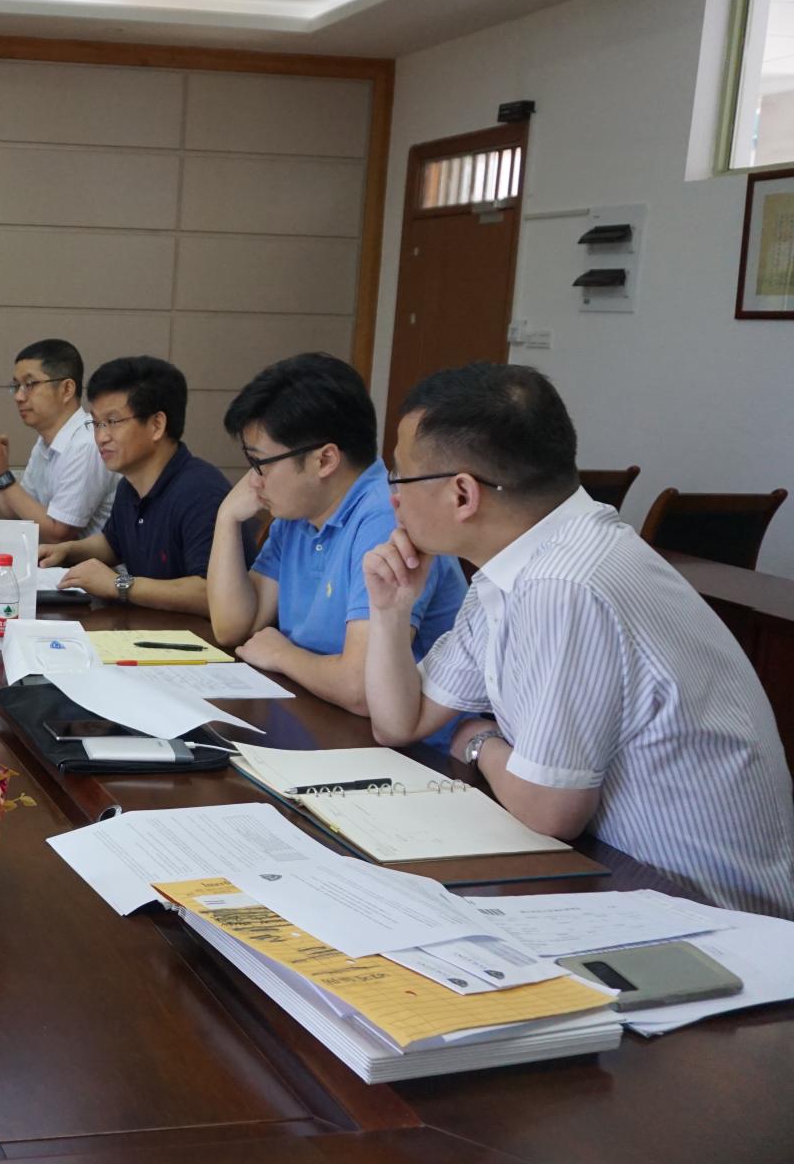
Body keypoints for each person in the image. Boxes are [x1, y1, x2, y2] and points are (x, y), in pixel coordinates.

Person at [362, 362, 794, 918]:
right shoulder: (517, 564)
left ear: (463, 494)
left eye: (399, 477)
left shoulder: (564, 583)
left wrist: (478, 741)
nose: (392, 499)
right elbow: (398, 723)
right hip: (623, 879)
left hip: (710, 916)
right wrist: (391, 610)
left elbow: (548, 812)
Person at [207, 353, 466, 719]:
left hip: (410, 745)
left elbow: (360, 688)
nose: (254, 480)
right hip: (322, 715)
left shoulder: (386, 518)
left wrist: (282, 654)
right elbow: (233, 628)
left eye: (260, 463)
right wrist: (226, 518)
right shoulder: (298, 512)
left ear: (325, 460)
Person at [40, 356, 236, 615]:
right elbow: (114, 544)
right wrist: (66, 551)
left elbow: (212, 593)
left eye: (113, 422)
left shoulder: (200, 492)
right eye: (96, 423)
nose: (101, 437)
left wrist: (119, 585)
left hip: (195, 635)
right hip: (148, 626)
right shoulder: (130, 485)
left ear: (156, 425)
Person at [0, 338, 115, 542]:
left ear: (67, 389)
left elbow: (58, 534)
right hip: (53, 557)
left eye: (30, 384)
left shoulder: (87, 444)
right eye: (16, 386)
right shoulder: (45, 442)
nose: (18, 397)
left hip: (93, 562)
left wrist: (2, 475)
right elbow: (16, 513)